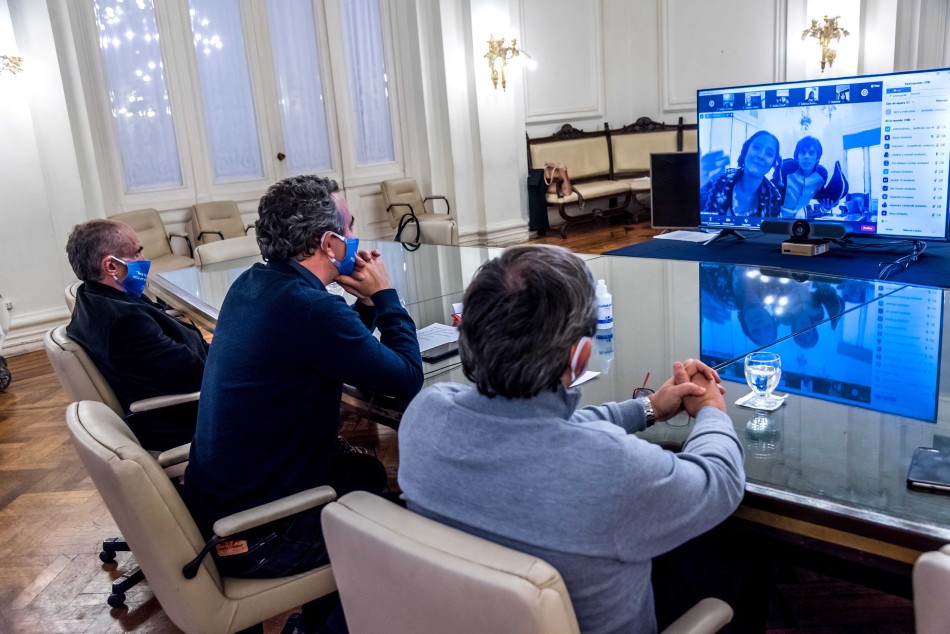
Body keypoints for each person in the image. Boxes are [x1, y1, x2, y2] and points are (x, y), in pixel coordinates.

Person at [398, 244, 746, 633]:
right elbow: (720, 480)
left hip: (463, 618)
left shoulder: (426, 413)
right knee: (739, 549)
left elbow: (536, 428)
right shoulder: (612, 466)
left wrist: (649, 408)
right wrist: (711, 408)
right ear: (580, 356)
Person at [183, 174, 423, 634]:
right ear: (330, 243)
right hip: (260, 536)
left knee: (365, 473)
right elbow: (407, 378)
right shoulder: (310, 309)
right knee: (406, 530)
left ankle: (316, 623)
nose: (356, 238)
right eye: (350, 228)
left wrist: (366, 305)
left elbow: (331, 345)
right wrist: (385, 296)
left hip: (221, 511)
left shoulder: (255, 284)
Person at [65, 219, 208, 450]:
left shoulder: (93, 297)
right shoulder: (125, 322)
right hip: (185, 421)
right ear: (111, 266)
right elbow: (194, 373)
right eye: (137, 252)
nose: (144, 259)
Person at [700, 130, 782, 218]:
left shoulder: (774, 198)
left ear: (772, 164)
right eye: (756, 147)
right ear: (746, 151)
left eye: (769, 154)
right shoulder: (717, 181)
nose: (761, 156)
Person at [776, 136, 830, 218]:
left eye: (811, 153)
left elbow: (820, 196)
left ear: (817, 158)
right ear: (797, 156)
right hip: (778, 215)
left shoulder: (822, 174)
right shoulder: (786, 167)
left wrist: (826, 207)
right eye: (803, 152)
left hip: (802, 216)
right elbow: (774, 188)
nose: (806, 156)